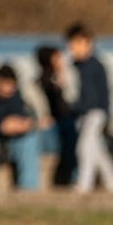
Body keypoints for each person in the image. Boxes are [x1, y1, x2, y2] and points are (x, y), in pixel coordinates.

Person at [66, 26, 113, 194]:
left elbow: (102, 94)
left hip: (95, 113)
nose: (73, 48)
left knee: (84, 148)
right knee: (97, 151)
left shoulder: (95, 66)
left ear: (88, 43)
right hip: (83, 114)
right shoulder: (75, 66)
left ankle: (85, 184)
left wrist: (106, 116)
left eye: (77, 44)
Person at [0, 64, 41, 192]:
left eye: (12, 85)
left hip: (9, 144)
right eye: (6, 84)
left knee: (29, 138)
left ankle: (29, 187)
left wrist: (24, 124)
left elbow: (21, 118)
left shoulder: (15, 96)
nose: (9, 89)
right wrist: (1, 125)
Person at [35, 46, 78, 188]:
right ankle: (67, 178)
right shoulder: (41, 82)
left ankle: (71, 178)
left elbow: (73, 100)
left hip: (68, 120)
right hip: (54, 124)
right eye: (57, 57)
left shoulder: (67, 76)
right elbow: (45, 108)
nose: (61, 60)